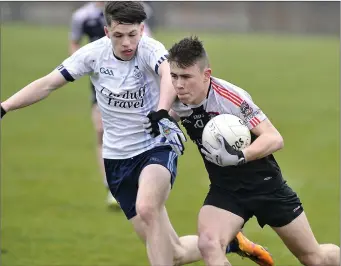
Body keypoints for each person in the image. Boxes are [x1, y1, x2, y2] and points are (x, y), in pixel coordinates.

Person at [0, 2, 273, 266]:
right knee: (173, 252)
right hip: (117, 159)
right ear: (107, 32)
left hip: (156, 145)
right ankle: (232, 243)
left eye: (132, 34)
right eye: (119, 36)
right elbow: (48, 83)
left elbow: (167, 73)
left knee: (147, 208)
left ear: (142, 30)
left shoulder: (150, 49)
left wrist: (162, 112)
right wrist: (5, 107)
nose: (127, 43)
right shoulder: (93, 54)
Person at [148, 35, 340, 266]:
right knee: (209, 244)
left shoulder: (230, 99)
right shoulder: (176, 98)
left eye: (186, 77)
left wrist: (240, 156)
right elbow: (165, 118)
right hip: (226, 190)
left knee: (315, 259)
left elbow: (273, 137)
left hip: (267, 187)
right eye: (174, 76)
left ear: (206, 75)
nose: (179, 84)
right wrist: (164, 125)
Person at [69, 1, 153, 207]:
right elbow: (74, 42)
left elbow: (148, 41)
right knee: (101, 131)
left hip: (133, 83)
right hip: (102, 81)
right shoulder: (82, 16)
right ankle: (111, 187)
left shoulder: (133, 11)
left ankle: (142, 180)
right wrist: (79, 63)